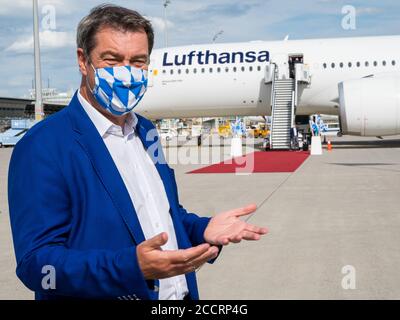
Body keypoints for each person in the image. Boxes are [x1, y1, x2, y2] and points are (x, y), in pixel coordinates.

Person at [8, 5, 267, 300]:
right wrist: (131, 267)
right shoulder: (43, 145)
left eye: (138, 61)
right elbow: (37, 267)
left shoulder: (146, 131)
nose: (127, 73)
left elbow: (163, 217)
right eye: (112, 59)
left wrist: (204, 228)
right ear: (83, 61)